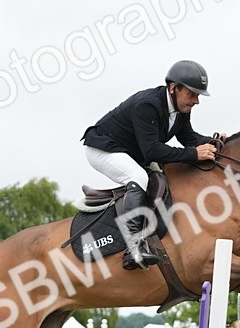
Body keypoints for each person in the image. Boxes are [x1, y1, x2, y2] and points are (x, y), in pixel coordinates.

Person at [80, 60, 222, 270]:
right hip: (103, 149)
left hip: (131, 151)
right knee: (138, 177)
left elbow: (189, 138)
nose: (197, 101)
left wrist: (214, 142)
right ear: (173, 88)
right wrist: (194, 154)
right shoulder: (148, 105)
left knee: (164, 178)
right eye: (192, 94)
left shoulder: (181, 109)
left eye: (198, 95)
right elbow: (153, 151)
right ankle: (133, 248)